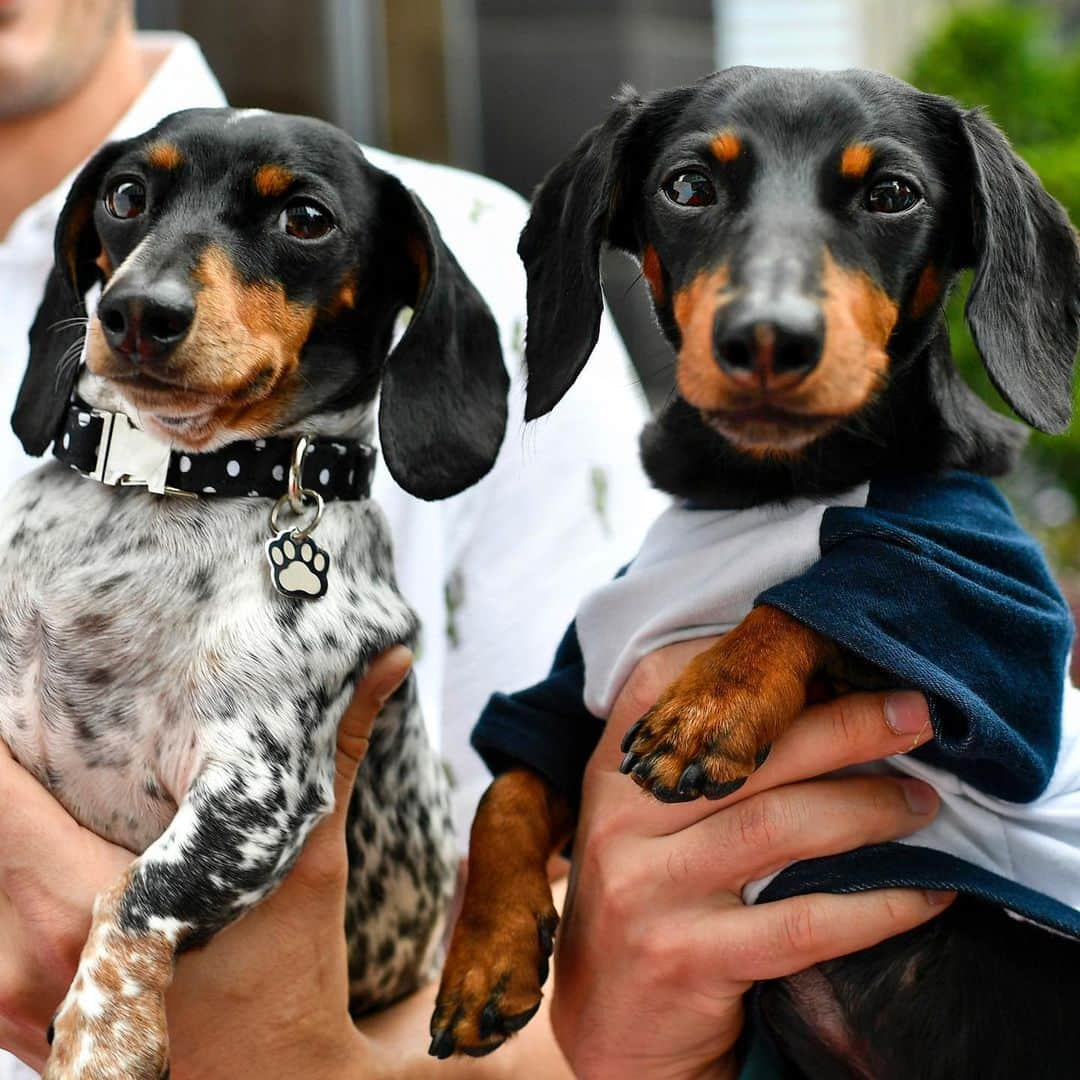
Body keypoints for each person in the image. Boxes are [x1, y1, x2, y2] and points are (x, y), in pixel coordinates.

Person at [0, 3, 965, 1078]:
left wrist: (298, 1059)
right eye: (132, 206)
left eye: (300, 223)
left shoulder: (481, 265)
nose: (154, 294)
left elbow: (636, 918)